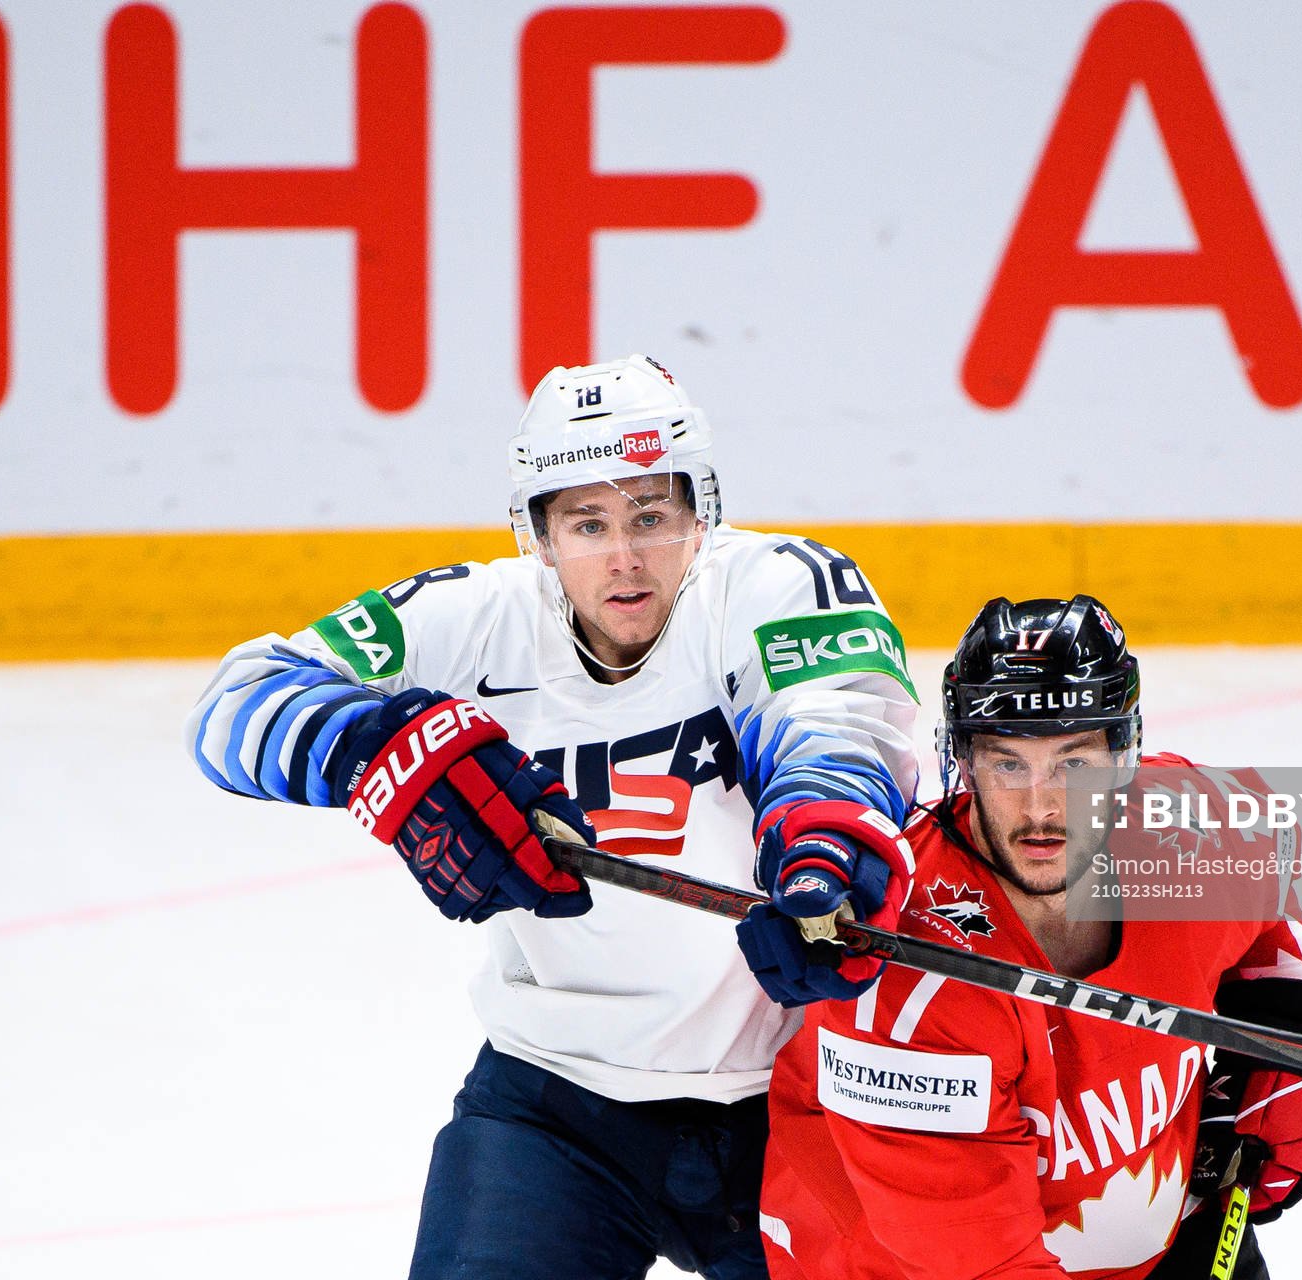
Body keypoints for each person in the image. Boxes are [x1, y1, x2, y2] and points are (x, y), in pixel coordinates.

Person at [186, 354, 919, 1280]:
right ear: (537, 532)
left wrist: (822, 856)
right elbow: (234, 704)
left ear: (702, 511)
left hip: (798, 1099)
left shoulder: (776, 585)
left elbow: (837, 725)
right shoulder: (476, 615)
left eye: (650, 516)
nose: (624, 558)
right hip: (555, 1105)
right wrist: (385, 752)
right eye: (588, 523)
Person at [757, 595, 1302, 1280]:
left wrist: (1280, 1023)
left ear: (1121, 757)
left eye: (1073, 764)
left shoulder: (1192, 830)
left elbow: (1270, 881)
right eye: (1008, 764)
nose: (1040, 807)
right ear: (965, 762)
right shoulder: (911, 986)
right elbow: (975, 1262)